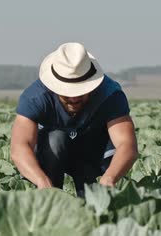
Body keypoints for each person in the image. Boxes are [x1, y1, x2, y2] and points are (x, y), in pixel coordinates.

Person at [10, 42, 138, 197]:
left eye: (81, 90)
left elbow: (126, 145)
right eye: (67, 91)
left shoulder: (110, 95)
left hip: (94, 153)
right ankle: (53, 198)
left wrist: (109, 179)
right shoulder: (35, 97)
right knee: (56, 138)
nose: (74, 97)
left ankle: (90, 197)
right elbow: (19, 147)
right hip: (52, 156)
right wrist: (42, 181)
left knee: (93, 198)